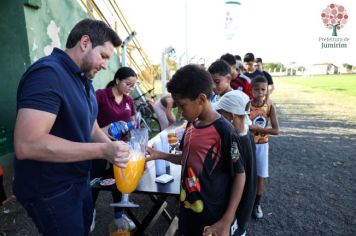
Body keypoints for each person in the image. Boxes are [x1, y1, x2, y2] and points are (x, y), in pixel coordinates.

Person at [13, 18, 130, 236]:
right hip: (51, 189)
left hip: (78, 181)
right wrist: (103, 151)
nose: (106, 65)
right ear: (85, 42)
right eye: (103, 56)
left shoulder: (83, 79)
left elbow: (91, 127)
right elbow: (27, 144)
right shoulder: (48, 74)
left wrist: (117, 152)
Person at [146, 64, 246, 236]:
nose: (179, 112)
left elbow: (240, 174)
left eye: (182, 105)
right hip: (188, 209)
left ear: (201, 99)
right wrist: (159, 155)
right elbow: (187, 158)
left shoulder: (224, 130)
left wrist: (227, 220)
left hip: (212, 216)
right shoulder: (192, 124)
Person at [90, 66, 137, 231]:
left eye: (133, 86)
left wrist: (133, 140)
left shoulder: (129, 100)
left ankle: (119, 215)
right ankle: (90, 213)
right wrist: (107, 129)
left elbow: (132, 122)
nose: (130, 89)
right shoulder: (100, 95)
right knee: (95, 180)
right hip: (100, 144)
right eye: (128, 84)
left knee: (120, 181)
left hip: (121, 147)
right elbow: (89, 123)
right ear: (117, 80)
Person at [214, 90, 257, 236]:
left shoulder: (235, 141)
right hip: (247, 199)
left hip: (237, 207)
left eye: (220, 114)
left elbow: (237, 176)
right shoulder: (247, 133)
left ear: (231, 116)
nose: (217, 118)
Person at [249, 76, 279, 220]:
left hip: (262, 145)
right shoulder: (246, 106)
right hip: (247, 144)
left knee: (260, 175)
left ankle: (257, 204)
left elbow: (276, 130)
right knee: (246, 174)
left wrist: (255, 128)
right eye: (257, 89)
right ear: (251, 90)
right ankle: (245, 202)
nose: (260, 92)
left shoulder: (270, 107)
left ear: (267, 90)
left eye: (263, 89)